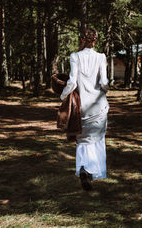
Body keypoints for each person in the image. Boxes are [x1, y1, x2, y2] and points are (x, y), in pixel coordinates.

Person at [60, 27, 109, 191]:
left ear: (81, 40)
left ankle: (84, 169)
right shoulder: (101, 57)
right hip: (99, 106)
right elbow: (104, 82)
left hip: (83, 107)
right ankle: (92, 171)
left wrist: (63, 95)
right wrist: (105, 90)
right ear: (95, 41)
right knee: (97, 139)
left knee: (82, 139)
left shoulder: (75, 57)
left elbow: (72, 82)